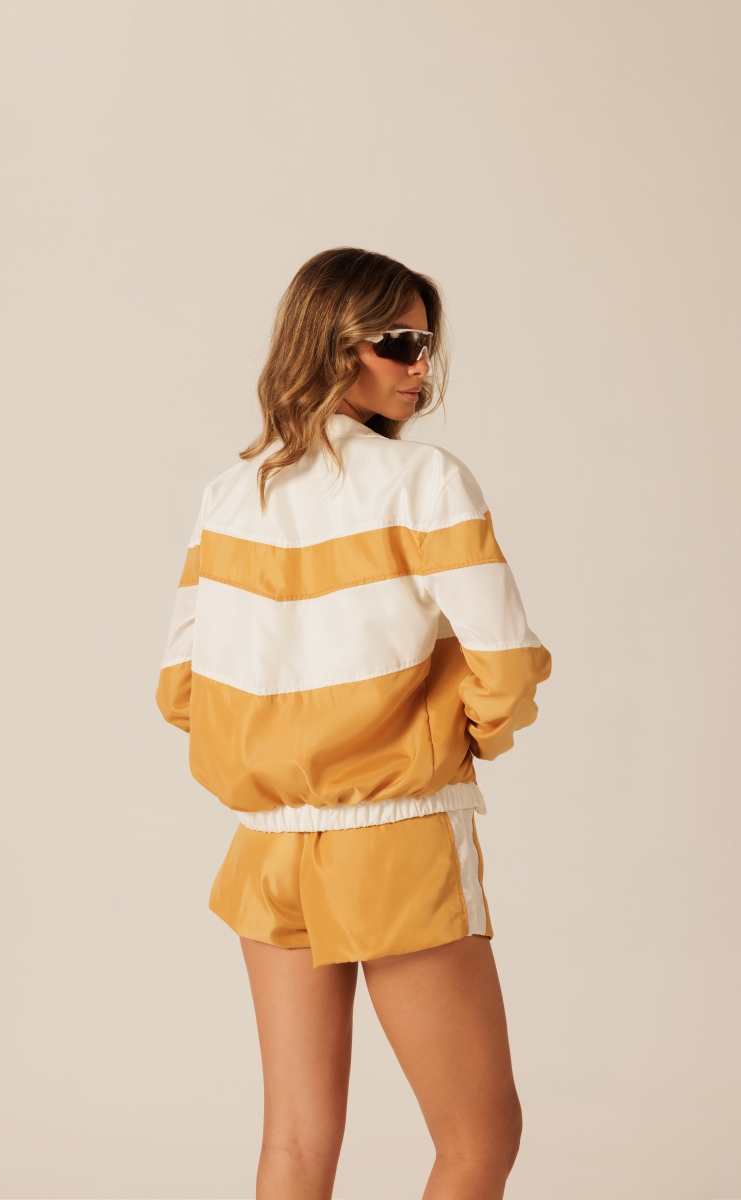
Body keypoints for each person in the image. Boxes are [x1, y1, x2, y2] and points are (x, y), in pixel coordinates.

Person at [156, 247, 551, 1200]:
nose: (422, 365)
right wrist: (456, 736)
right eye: (400, 342)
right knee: (480, 1137)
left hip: (269, 850)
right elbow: (505, 667)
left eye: (427, 343)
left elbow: (179, 689)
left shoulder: (231, 494)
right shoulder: (425, 481)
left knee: (295, 1144)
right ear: (336, 345)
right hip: (397, 838)